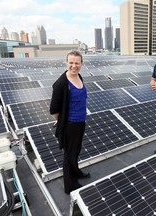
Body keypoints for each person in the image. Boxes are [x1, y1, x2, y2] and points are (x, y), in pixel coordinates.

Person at [50, 51, 90, 194]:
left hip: (80, 121)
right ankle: (70, 185)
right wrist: (59, 121)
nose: (74, 66)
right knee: (69, 154)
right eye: (71, 62)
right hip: (70, 124)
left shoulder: (79, 76)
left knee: (76, 150)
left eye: (77, 63)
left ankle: (76, 172)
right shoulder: (61, 83)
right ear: (66, 63)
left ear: (81, 64)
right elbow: (54, 108)